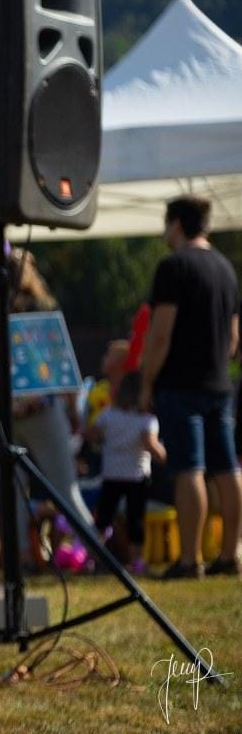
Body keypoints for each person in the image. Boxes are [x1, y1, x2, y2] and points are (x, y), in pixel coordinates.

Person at [140, 195, 241, 579]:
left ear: (177, 224)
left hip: (181, 384)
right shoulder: (225, 268)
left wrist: (147, 380)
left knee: (189, 469)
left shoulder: (173, 266)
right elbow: (233, 337)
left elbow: (161, 333)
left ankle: (190, 560)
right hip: (219, 381)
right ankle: (231, 554)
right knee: (226, 468)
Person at [0, 249, 90, 567]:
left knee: (11, 494)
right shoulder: (44, 308)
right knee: (66, 489)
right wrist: (71, 406)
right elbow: (61, 364)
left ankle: (19, 557)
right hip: (43, 411)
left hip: (3, 414)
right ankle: (94, 551)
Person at [85, 372, 166, 574]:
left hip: (111, 474)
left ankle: (92, 558)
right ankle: (137, 560)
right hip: (136, 477)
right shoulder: (147, 420)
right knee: (135, 520)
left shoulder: (109, 415)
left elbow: (92, 433)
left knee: (103, 518)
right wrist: (166, 455)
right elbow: (150, 444)